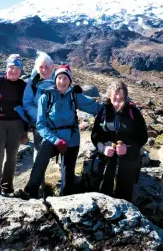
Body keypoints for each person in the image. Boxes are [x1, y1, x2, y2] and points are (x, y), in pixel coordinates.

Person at [14, 65, 103, 199]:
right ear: (55, 80)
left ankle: (66, 199)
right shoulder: (46, 97)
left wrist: (115, 105)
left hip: (71, 139)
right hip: (53, 138)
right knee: (42, 157)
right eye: (59, 78)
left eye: (65, 78)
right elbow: (41, 125)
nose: (62, 81)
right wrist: (56, 140)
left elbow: (96, 108)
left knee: (68, 173)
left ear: (70, 80)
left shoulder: (74, 96)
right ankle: (30, 191)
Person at [91, 81, 148, 202]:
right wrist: (103, 149)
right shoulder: (103, 112)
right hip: (107, 160)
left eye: (121, 96)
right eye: (115, 95)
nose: (117, 99)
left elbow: (143, 137)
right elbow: (95, 135)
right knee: (104, 195)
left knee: (124, 196)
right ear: (109, 95)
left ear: (126, 97)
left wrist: (127, 148)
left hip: (128, 162)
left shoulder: (133, 113)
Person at [0, 54, 27, 195]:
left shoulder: (23, 85)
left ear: (21, 70)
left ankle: (7, 186)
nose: (14, 71)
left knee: (11, 157)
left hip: (16, 124)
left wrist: (25, 130)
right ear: (6, 68)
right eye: (11, 67)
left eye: (17, 68)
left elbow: (26, 107)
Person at [23, 51, 54, 162]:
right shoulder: (32, 83)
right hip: (38, 123)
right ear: (37, 68)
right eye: (41, 67)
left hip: (57, 121)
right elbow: (26, 103)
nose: (44, 70)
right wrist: (41, 115)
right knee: (39, 148)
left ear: (52, 66)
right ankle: (39, 178)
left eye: (47, 66)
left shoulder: (59, 80)